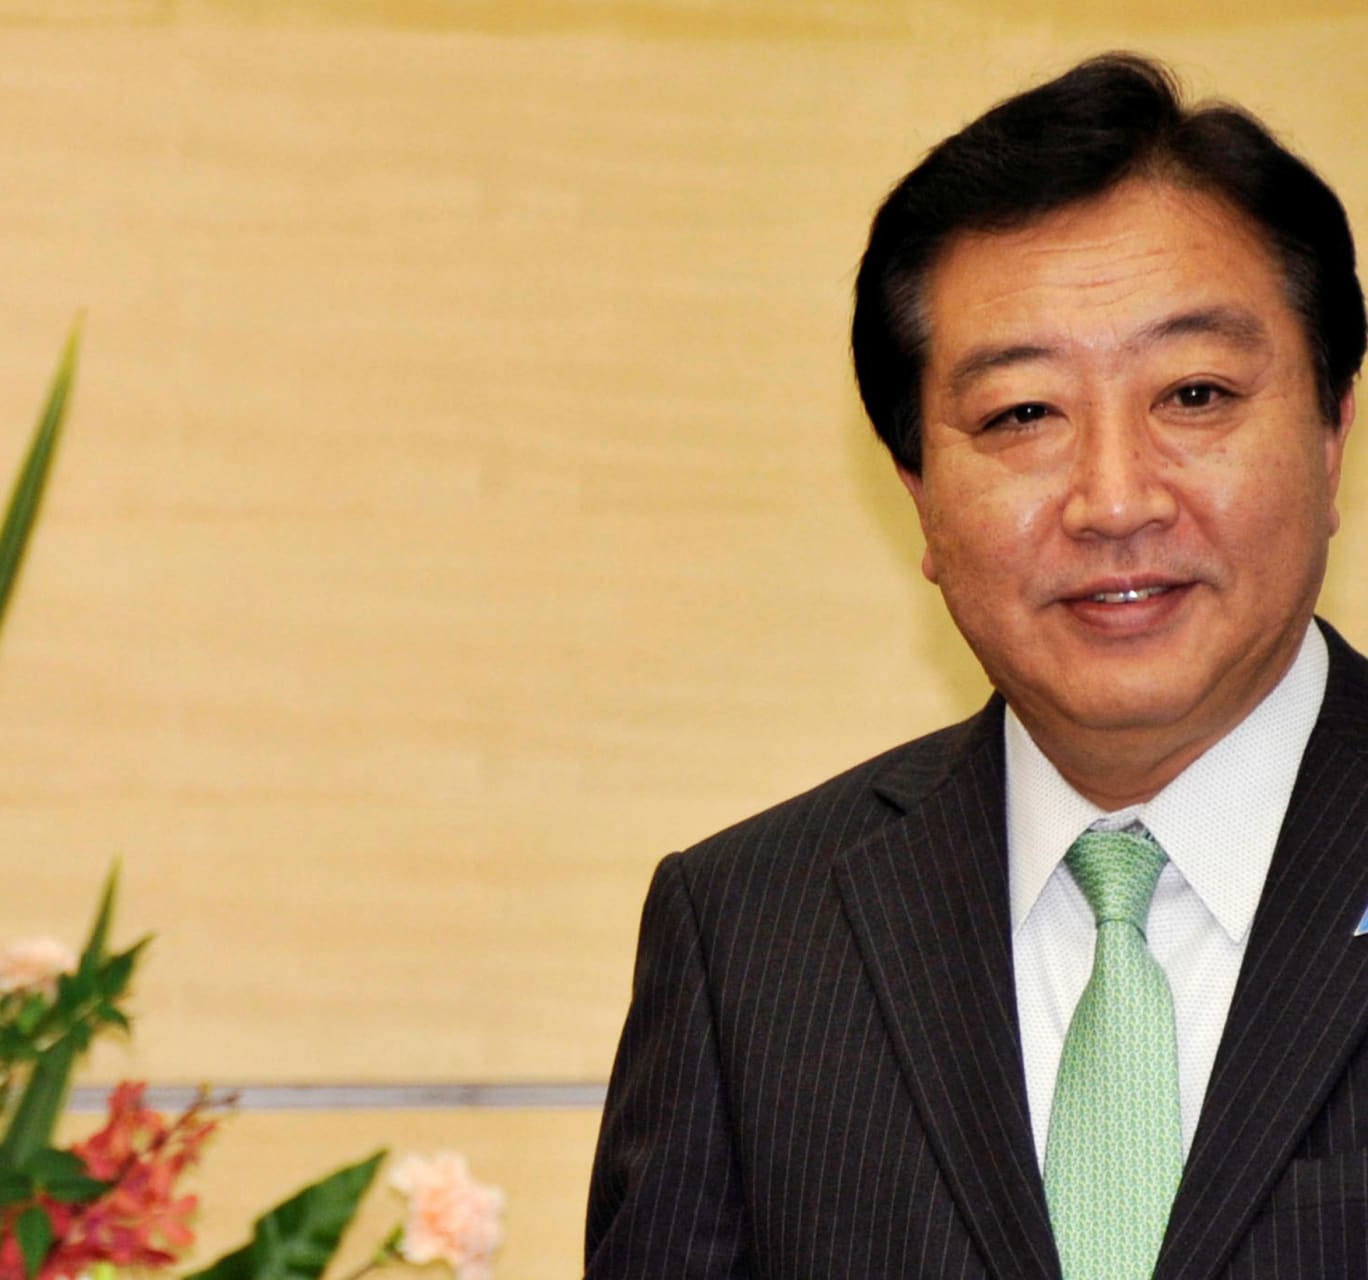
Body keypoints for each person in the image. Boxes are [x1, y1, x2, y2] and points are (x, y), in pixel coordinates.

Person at [586, 53, 1368, 1279]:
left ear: (1332, 430)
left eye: (1196, 392)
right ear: (916, 494)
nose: (1115, 499)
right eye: (1020, 416)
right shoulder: (750, 938)